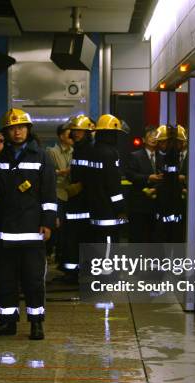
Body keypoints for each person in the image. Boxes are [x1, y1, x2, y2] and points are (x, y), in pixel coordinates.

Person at [0, 108, 57, 340]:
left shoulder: (41, 156)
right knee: (4, 280)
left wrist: (47, 223)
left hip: (31, 230)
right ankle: (7, 323)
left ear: (28, 129)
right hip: (2, 232)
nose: (17, 132)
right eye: (12, 128)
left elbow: (49, 194)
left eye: (22, 127)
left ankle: (36, 323)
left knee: (33, 280)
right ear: (4, 132)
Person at [60, 115, 95, 282]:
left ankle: (80, 272)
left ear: (87, 132)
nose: (75, 134)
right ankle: (71, 271)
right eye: (74, 131)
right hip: (75, 203)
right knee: (71, 237)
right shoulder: (79, 149)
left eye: (79, 131)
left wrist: (81, 186)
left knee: (82, 237)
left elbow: (93, 174)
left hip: (85, 203)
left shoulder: (89, 150)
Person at [86, 114, 128, 244]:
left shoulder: (92, 150)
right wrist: (121, 209)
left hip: (94, 209)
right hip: (109, 212)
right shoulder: (110, 153)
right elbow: (113, 186)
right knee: (108, 251)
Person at [124, 126, 164, 243]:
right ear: (144, 140)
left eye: (155, 136)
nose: (153, 139)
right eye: (150, 136)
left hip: (156, 203)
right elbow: (130, 175)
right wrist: (148, 177)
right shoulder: (135, 156)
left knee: (155, 237)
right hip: (139, 203)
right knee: (139, 237)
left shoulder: (162, 157)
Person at [46, 124, 73, 267]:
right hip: (58, 193)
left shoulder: (74, 151)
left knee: (68, 229)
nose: (72, 137)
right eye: (69, 134)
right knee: (57, 225)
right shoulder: (52, 152)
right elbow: (49, 173)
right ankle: (51, 254)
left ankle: (62, 257)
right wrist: (62, 172)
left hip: (71, 193)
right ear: (61, 136)